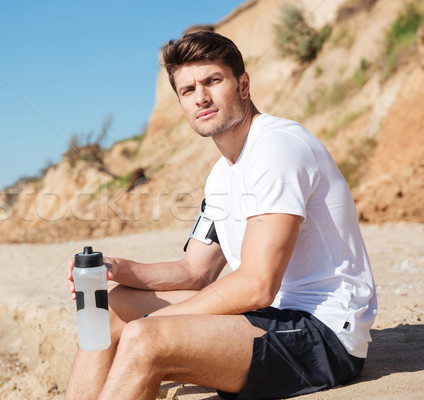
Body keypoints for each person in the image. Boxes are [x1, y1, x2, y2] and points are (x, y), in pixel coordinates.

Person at [65, 31, 377, 400]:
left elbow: (258, 284)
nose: (201, 97)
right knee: (112, 306)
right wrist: (118, 268)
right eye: (187, 90)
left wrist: (156, 321)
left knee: (145, 337)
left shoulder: (276, 148)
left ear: (243, 84)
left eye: (212, 81)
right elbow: (194, 272)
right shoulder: (221, 174)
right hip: (267, 320)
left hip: (322, 334)